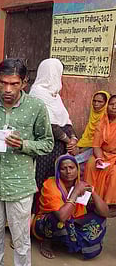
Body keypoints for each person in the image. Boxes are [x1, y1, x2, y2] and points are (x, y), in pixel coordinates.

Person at [0, 58, 54, 266]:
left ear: (24, 83)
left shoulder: (36, 106)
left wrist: (23, 144)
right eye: (3, 83)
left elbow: (48, 143)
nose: (8, 89)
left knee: (20, 241)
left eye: (14, 84)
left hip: (20, 186)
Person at [33, 155, 108, 259]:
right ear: (58, 171)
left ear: (77, 169)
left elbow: (105, 212)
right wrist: (75, 192)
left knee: (98, 216)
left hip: (72, 221)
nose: (68, 171)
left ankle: (77, 242)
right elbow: (62, 216)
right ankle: (47, 242)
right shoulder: (51, 185)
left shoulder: (81, 184)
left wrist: (93, 191)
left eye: (71, 168)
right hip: (47, 223)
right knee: (57, 220)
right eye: (63, 168)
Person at [30, 58, 78, 189]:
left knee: (56, 179)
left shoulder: (55, 95)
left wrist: (73, 138)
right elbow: (48, 124)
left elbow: (66, 119)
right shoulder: (37, 93)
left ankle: (54, 205)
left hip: (60, 146)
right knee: (43, 178)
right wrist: (68, 141)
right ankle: (40, 208)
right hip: (46, 147)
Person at [85, 95, 116, 217]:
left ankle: (110, 204)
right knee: (91, 164)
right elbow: (96, 145)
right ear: (107, 106)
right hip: (102, 154)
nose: (114, 107)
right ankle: (90, 199)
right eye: (112, 104)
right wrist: (99, 159)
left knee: (114, 171)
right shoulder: (101, 123)